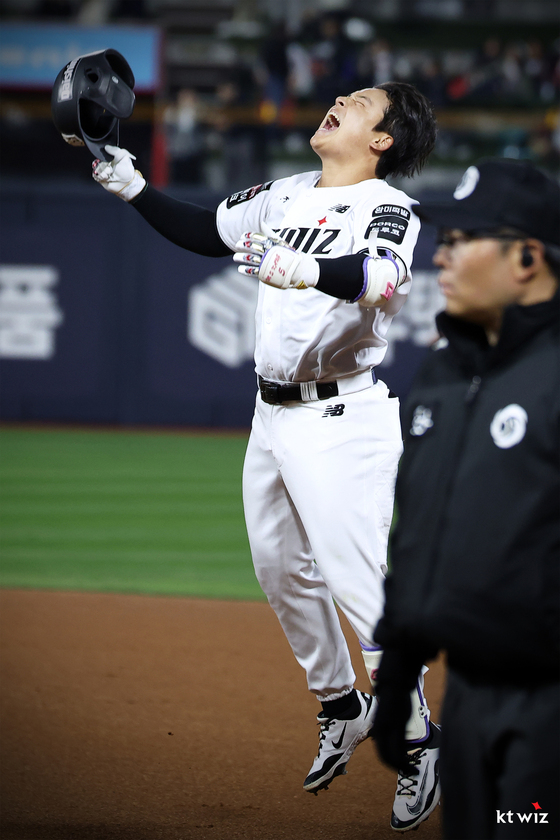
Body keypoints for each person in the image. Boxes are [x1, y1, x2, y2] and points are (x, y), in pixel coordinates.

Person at [91, 81, 439, 832]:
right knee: (279, 568)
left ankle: (417, 741)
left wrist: (306, 269)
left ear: (382, 140)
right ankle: (342, 705)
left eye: (361, 101)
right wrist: (133, 187)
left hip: (342, 415)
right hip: (272, 413)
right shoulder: (287, 193)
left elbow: (382, 279)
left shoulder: (387, 206)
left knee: (357, 583)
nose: (340, 99)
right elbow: (206, 229)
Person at [372, 159, 560, 839]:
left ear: (527, 258)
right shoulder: (445, 372)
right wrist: (400, 662)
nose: (440, 257)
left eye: (460, 240)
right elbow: (422, 530)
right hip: (470, 696)